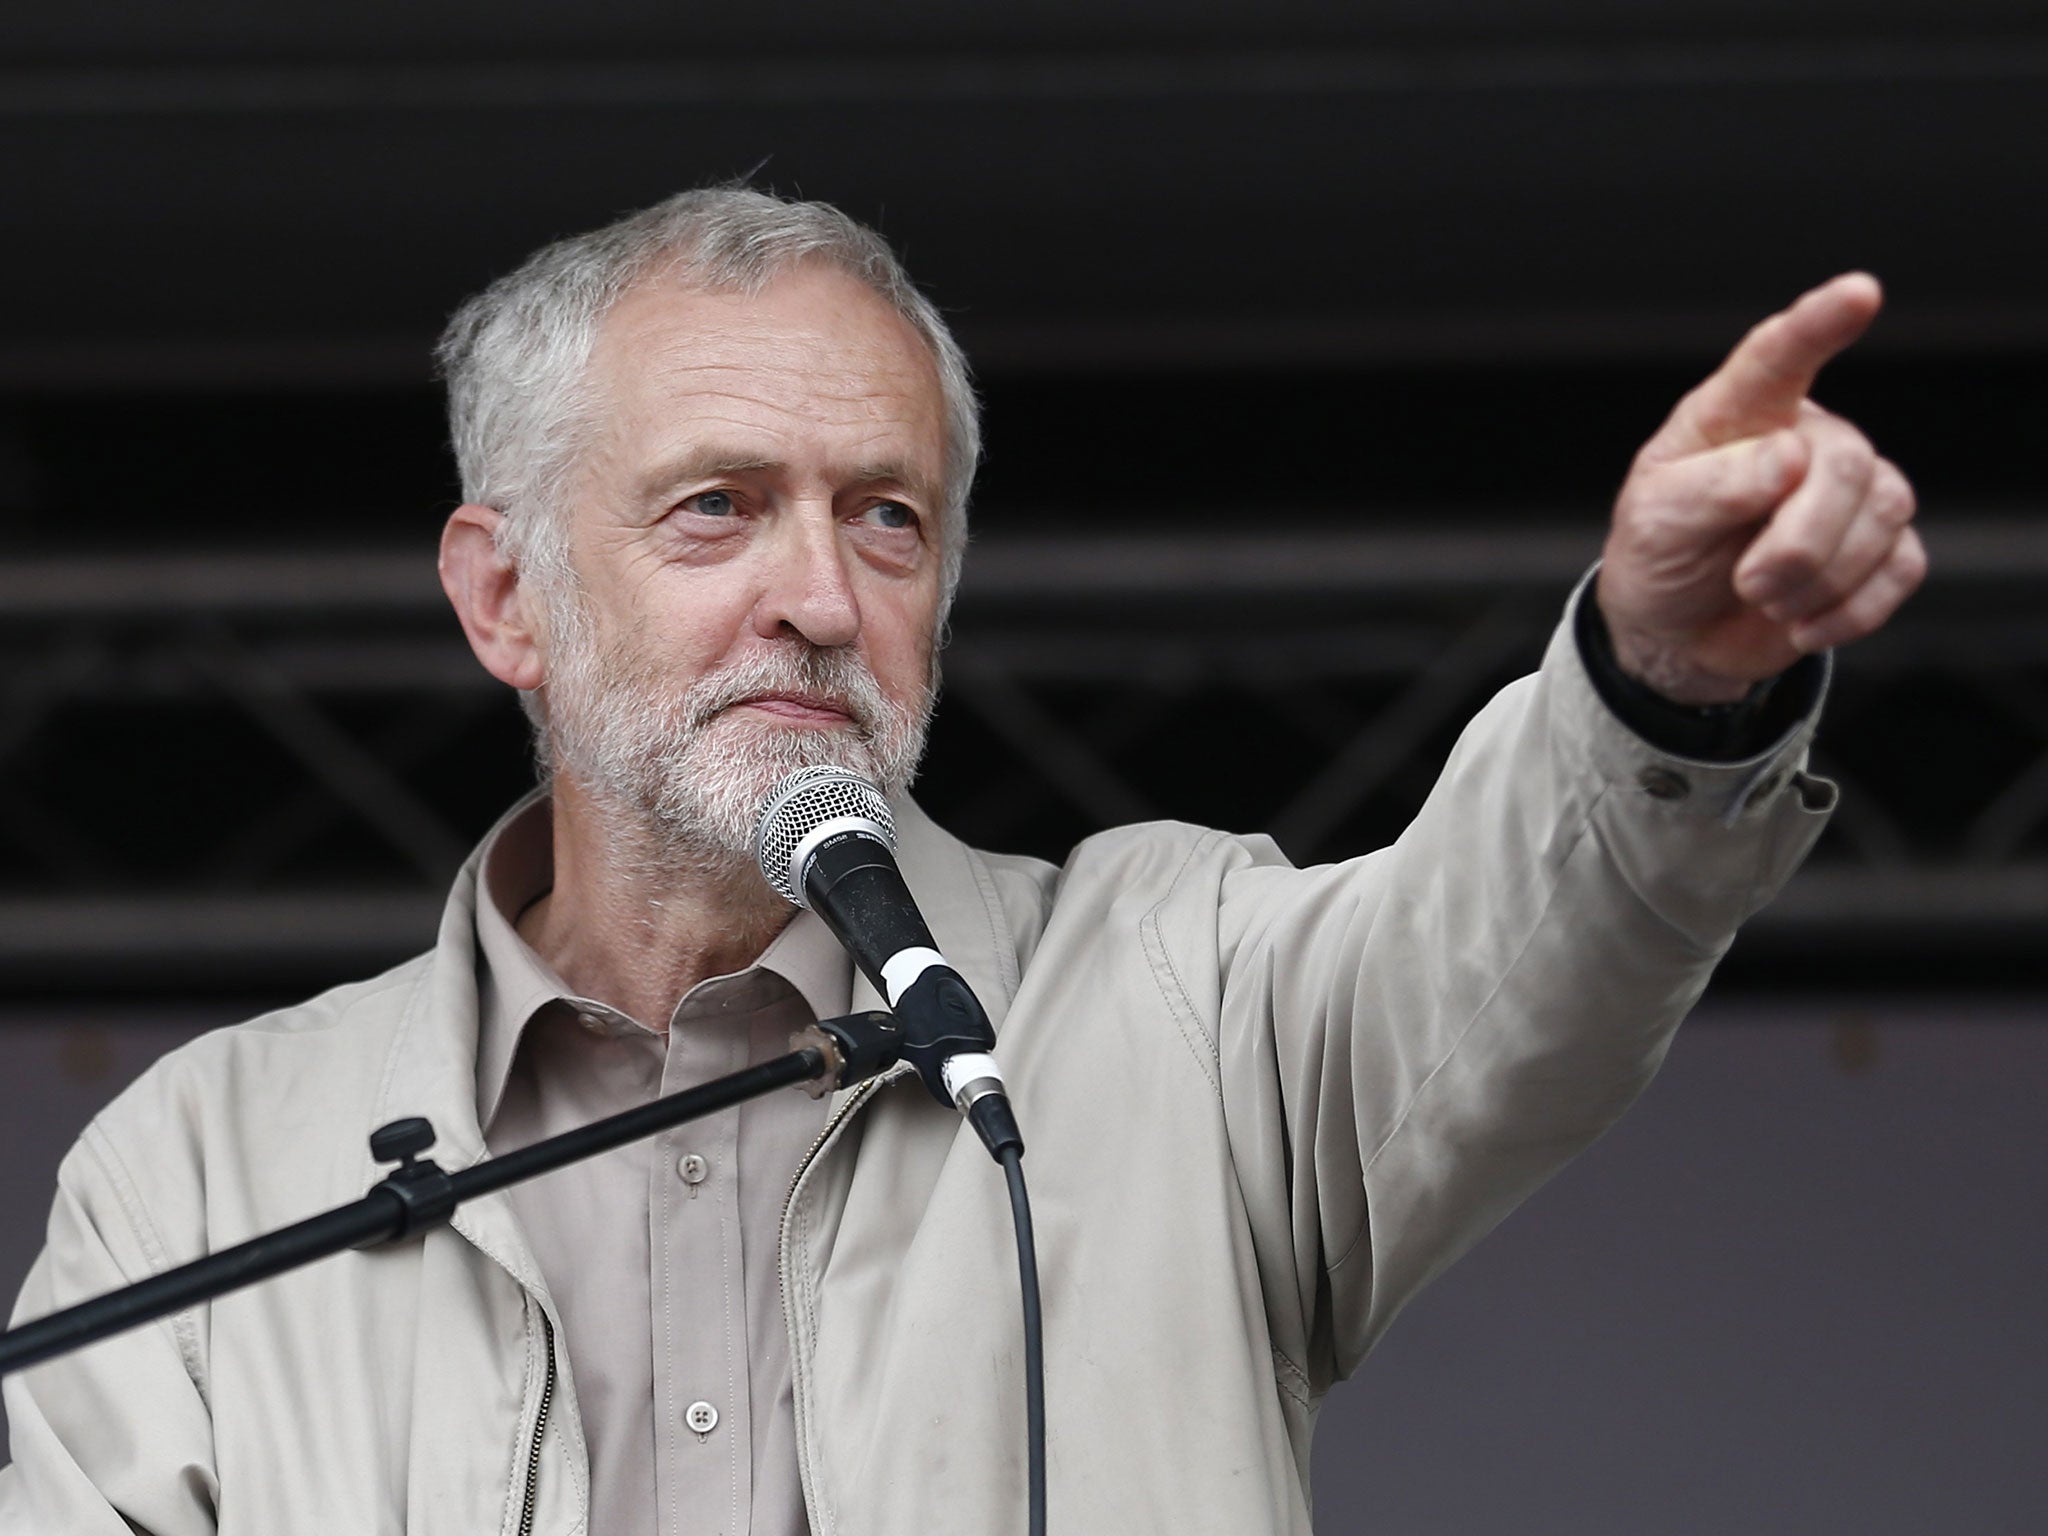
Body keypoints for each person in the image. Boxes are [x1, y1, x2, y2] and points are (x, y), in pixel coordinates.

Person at [0, 187, 1922, 1535]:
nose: (820, 597)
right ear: (506, 596)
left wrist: (1663, 673)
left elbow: (1532, 946)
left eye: (889, 522)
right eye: (716, 510)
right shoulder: (199, 1173)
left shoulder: (1181, 997)